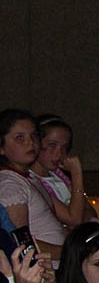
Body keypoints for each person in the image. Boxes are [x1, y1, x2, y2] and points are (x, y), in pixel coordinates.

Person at [0, 108, 67, 261]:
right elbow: (21, 244)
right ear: (1, 147)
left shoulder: (28, 177)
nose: (30, 142)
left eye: (34, 136)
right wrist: (70, 253)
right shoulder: (10, 186)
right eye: (19, 138)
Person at [31, 114, 99, 229]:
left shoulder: (59, 176)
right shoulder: (32, 182)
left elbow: (89, 210)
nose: (59, 153)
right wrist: (77, 173)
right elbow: (73, 220)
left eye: (64, 147)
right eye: (52, 145)